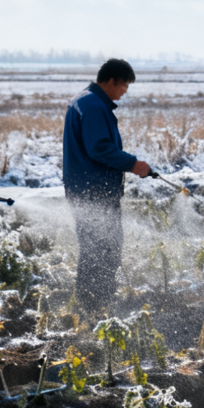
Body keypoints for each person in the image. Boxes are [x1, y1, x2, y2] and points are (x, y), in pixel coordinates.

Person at [62, 58, 152, 316]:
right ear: (111, 81)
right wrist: (133, 164)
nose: (125, 91)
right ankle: (95, 308)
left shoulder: (86, 101)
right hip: (93, 190)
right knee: (101, 249)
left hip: (88, 187)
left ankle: (94, 305)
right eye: (124, 85)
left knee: (100, 247)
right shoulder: (92, 105)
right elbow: (99, 148)